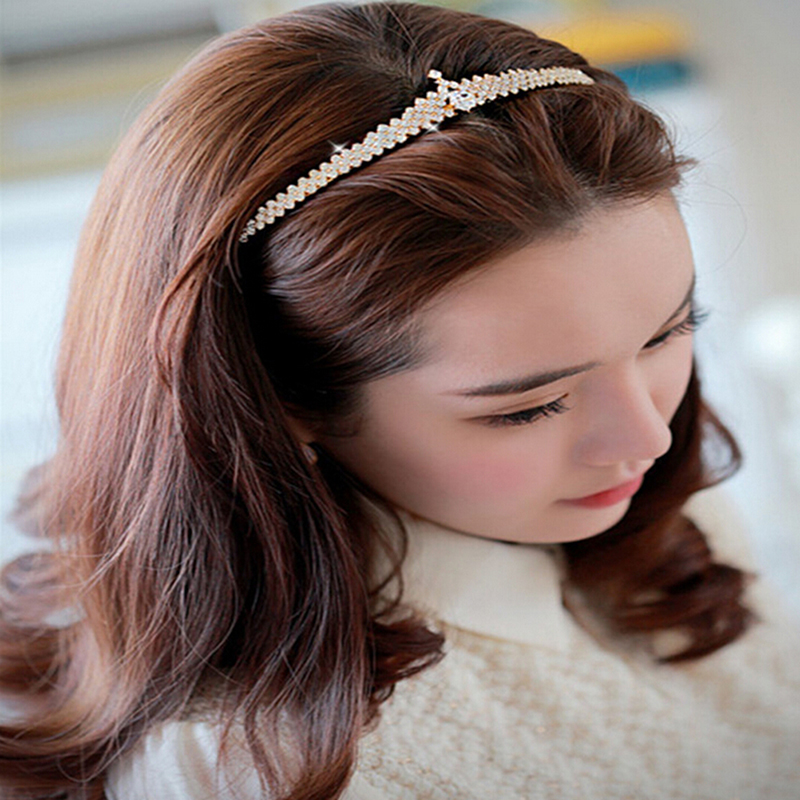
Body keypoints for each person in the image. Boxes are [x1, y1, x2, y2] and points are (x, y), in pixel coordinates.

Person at [1, 2, 798, 798]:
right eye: (529, 407)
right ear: (285, 399)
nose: (650, 437)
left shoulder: (663, 521)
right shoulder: (277, 765)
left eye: (669, 332)